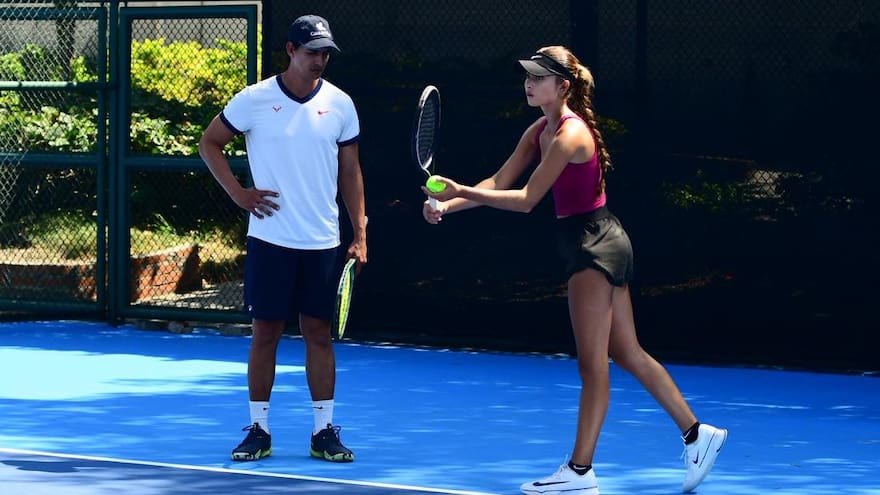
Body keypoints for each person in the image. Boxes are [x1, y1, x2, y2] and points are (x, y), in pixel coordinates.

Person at [422, 46, 727, 494]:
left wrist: (459, 189)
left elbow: (526, 200)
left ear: (562, 86)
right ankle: (697, 435)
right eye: (526, 75)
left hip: (593, 248)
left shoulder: (570, 135)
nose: (528, 83)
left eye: (538, 77)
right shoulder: (539, 130)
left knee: (593, 364)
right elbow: (498, 183)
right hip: (598, 241)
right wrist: (449, 206)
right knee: (627, 352)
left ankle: (580, 473)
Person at [198, 14, 366, 463]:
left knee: (319, 334)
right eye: (312, 51)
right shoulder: (254, 100)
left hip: (323, 242)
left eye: (325, 52)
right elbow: (209, 141)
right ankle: (259, 429)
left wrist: (360, 231)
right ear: (290, 50)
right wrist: (239, 194)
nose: (320, 60)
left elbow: (350, 171)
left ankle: (324, 431)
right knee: (265, 334)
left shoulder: (341, 104)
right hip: (271, 240)